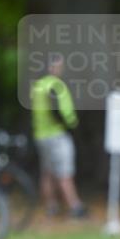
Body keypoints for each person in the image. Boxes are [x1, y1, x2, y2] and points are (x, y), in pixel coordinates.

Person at [30, 54, 87, 218]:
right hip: (57, 134)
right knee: (65, 172)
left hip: (40, 134)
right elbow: (59, 111)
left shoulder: (38, 86)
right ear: (51, 67)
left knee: (47, 173)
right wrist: (70, 124)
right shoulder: (55, 86)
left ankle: (51, 207)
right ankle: (75, 207)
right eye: (59, 65)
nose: (61, 69)